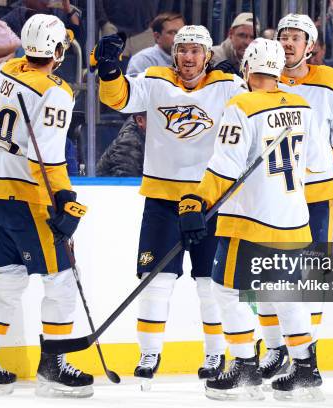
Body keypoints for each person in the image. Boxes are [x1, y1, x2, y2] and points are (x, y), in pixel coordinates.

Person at [94, 25, 246, 384]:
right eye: (182, 50)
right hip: (163, 200)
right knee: (154, 280)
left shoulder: (227, 86)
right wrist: (110, 70)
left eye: (196, 50)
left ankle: (213, 354)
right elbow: (118, 98)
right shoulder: (154, 78)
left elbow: (259, 107)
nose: (188, 57)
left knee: (211, 283)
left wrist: (244, 81)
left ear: (208, 55)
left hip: (212, 201)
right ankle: (149, 353)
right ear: (173, 53)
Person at [178, 38, 328, 400]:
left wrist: (197, 200)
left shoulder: (241, 105)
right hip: (293, 219)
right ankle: (306, 369)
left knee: (227, 290)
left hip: (250, 220)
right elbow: (318, 162)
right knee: (285, 294)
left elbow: (225, 166)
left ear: (246, 68)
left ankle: (245, 367)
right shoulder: (302, 104)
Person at [0, 14, 93, 397]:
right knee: (63, 280)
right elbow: (49, 159)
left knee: (7, 279)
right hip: (27, 196)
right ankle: (54, 364)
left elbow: (27, 58)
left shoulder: (6, 72)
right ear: (55, 52)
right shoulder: (58, 92)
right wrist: (66, 199)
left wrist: (54, 40)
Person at [256, 13, 333, 384]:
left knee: (307, 280)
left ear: (312, 46)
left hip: (315, 194)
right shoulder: (259, 79)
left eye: (296, 37)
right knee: (262, 275)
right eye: (284, 36)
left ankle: (306, 359)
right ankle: (275, 348)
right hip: (268, 192)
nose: (289, 43)